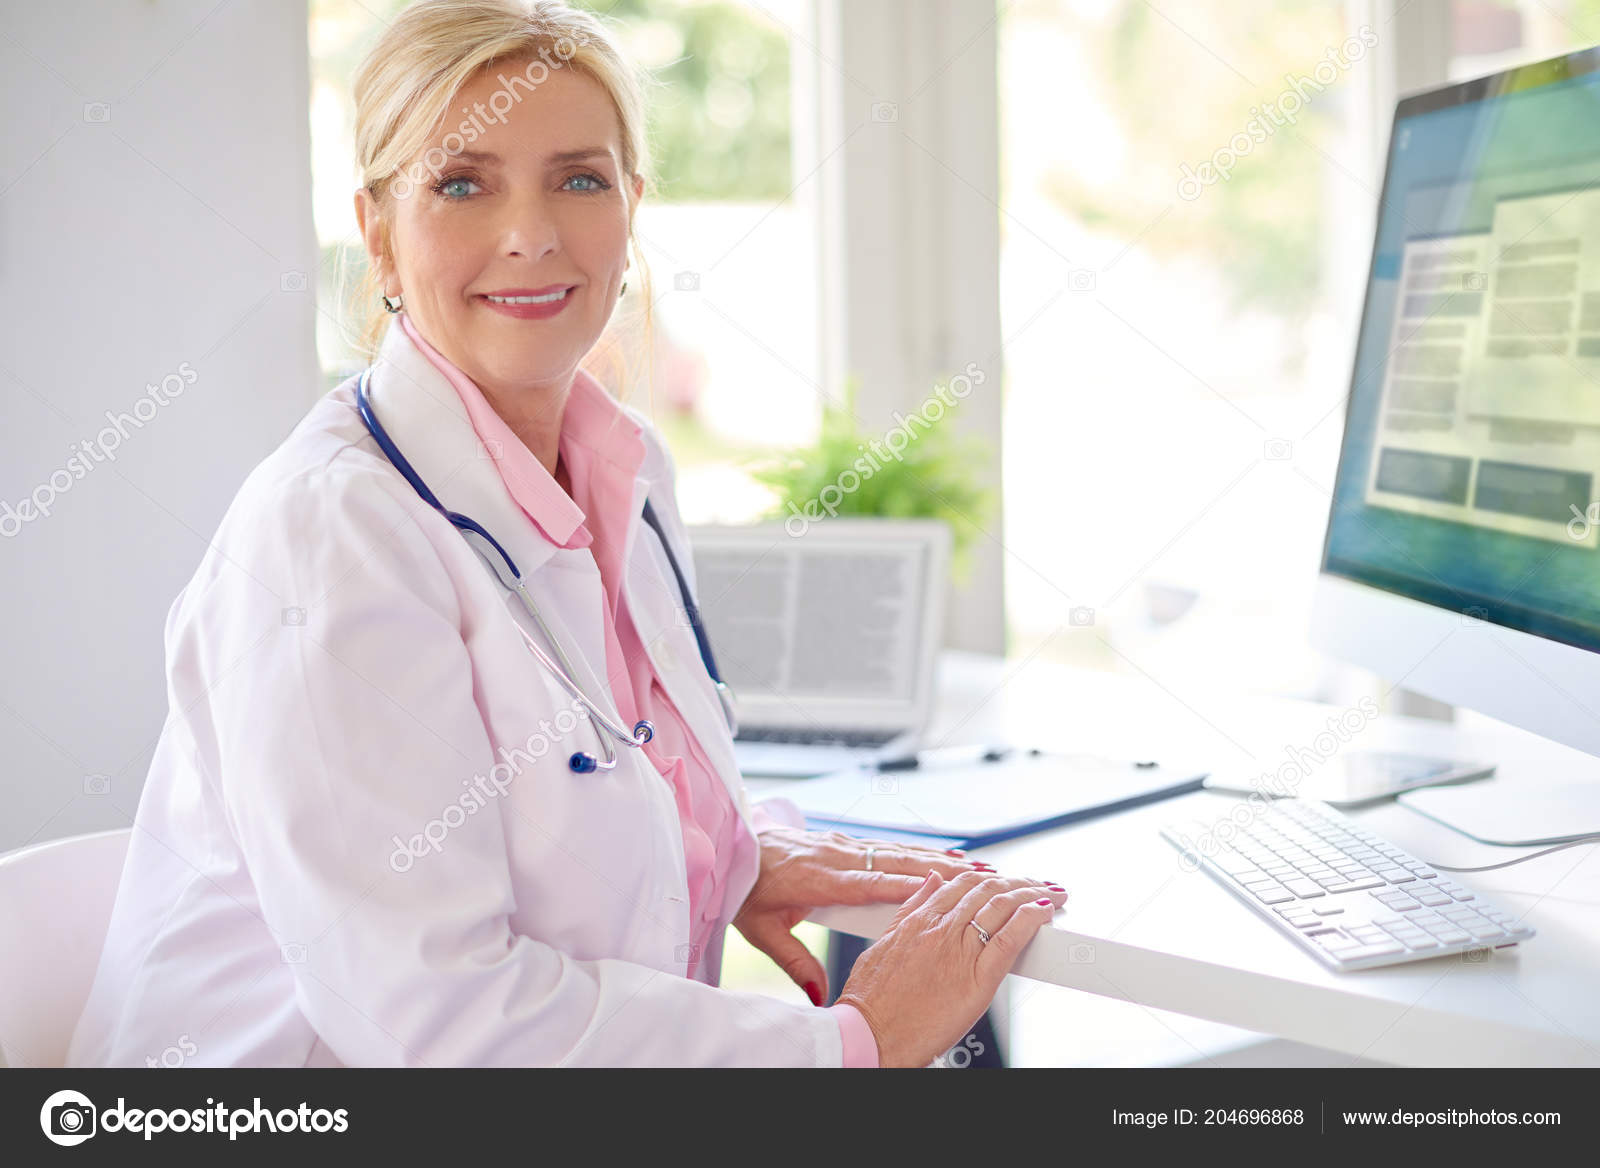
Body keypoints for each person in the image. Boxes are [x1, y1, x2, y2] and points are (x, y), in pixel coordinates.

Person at [67, 0, 1066, 1068]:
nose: (531, 233)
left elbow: (594, 783)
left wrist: (724, 856)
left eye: (579, 179)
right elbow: (439, 1020)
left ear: (631, 210)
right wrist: (851, 1046)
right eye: (462, 183)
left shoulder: (623, 467)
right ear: (377, 234)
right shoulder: (332, 532)